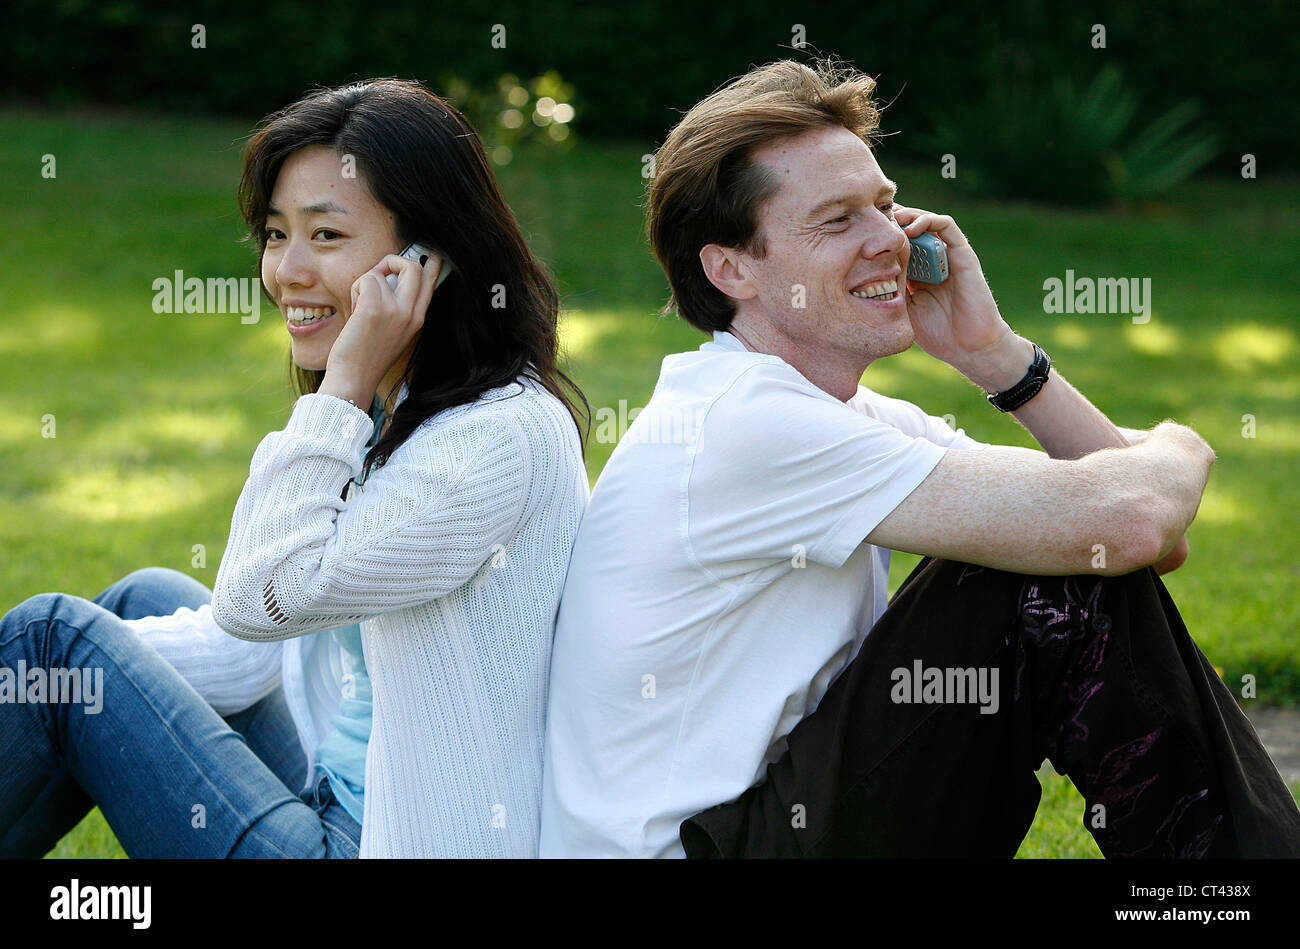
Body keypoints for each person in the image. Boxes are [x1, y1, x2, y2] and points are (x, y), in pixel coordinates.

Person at [538, 59, 1300, 858]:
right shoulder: (740, 422)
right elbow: (1132, 518)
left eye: (886, 204)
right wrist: (1183, 442)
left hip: (768, 827)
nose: (889, 241)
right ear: (731, 267)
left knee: (1050, 549)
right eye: (837, 220)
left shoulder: (833, 413)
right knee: (1033, 564)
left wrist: (995, 355)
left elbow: (1137, 543)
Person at [0, 78, 588, 859]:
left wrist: (338, 391)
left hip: (376, 845)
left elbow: (257, 596)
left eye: (327, 236)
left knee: (55, 641)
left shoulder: (491, 440)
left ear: (426, 263)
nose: (288, 272)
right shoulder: (399, 406)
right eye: (277, 235)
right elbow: (246, 654)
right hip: (327, 798)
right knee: (133, 609)